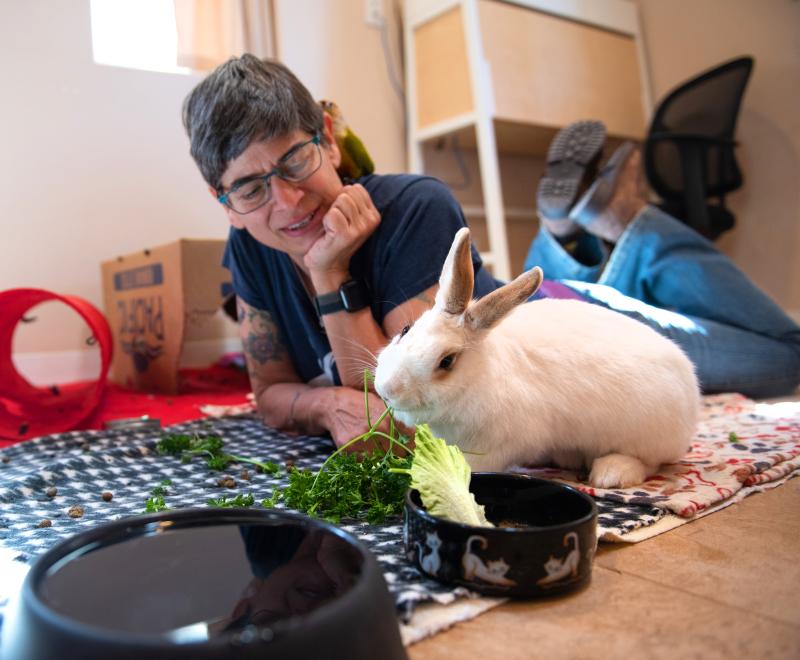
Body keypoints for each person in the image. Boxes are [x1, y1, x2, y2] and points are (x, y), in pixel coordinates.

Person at [182, 56, 800, 451]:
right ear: (222, 198)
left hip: (574, 338)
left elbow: (403, 415)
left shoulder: (414, 207)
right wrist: (323, 404)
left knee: (785, 357)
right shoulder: (250, 248)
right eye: (250, 187)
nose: (288, 202)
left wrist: (330, 272)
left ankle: (633, 229)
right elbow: (269, 392)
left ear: (329, 138)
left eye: (296, 161)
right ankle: (567, 239)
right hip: (522, 303)